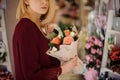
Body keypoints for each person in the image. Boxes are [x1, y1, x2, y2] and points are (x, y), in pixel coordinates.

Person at [12, 0, 78, 80]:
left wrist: (49, 39)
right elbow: (32, 76)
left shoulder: (37, 26)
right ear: (26, 1)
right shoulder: (26, 28)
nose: (45, 2)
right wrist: (63, 69)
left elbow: (46, 62)